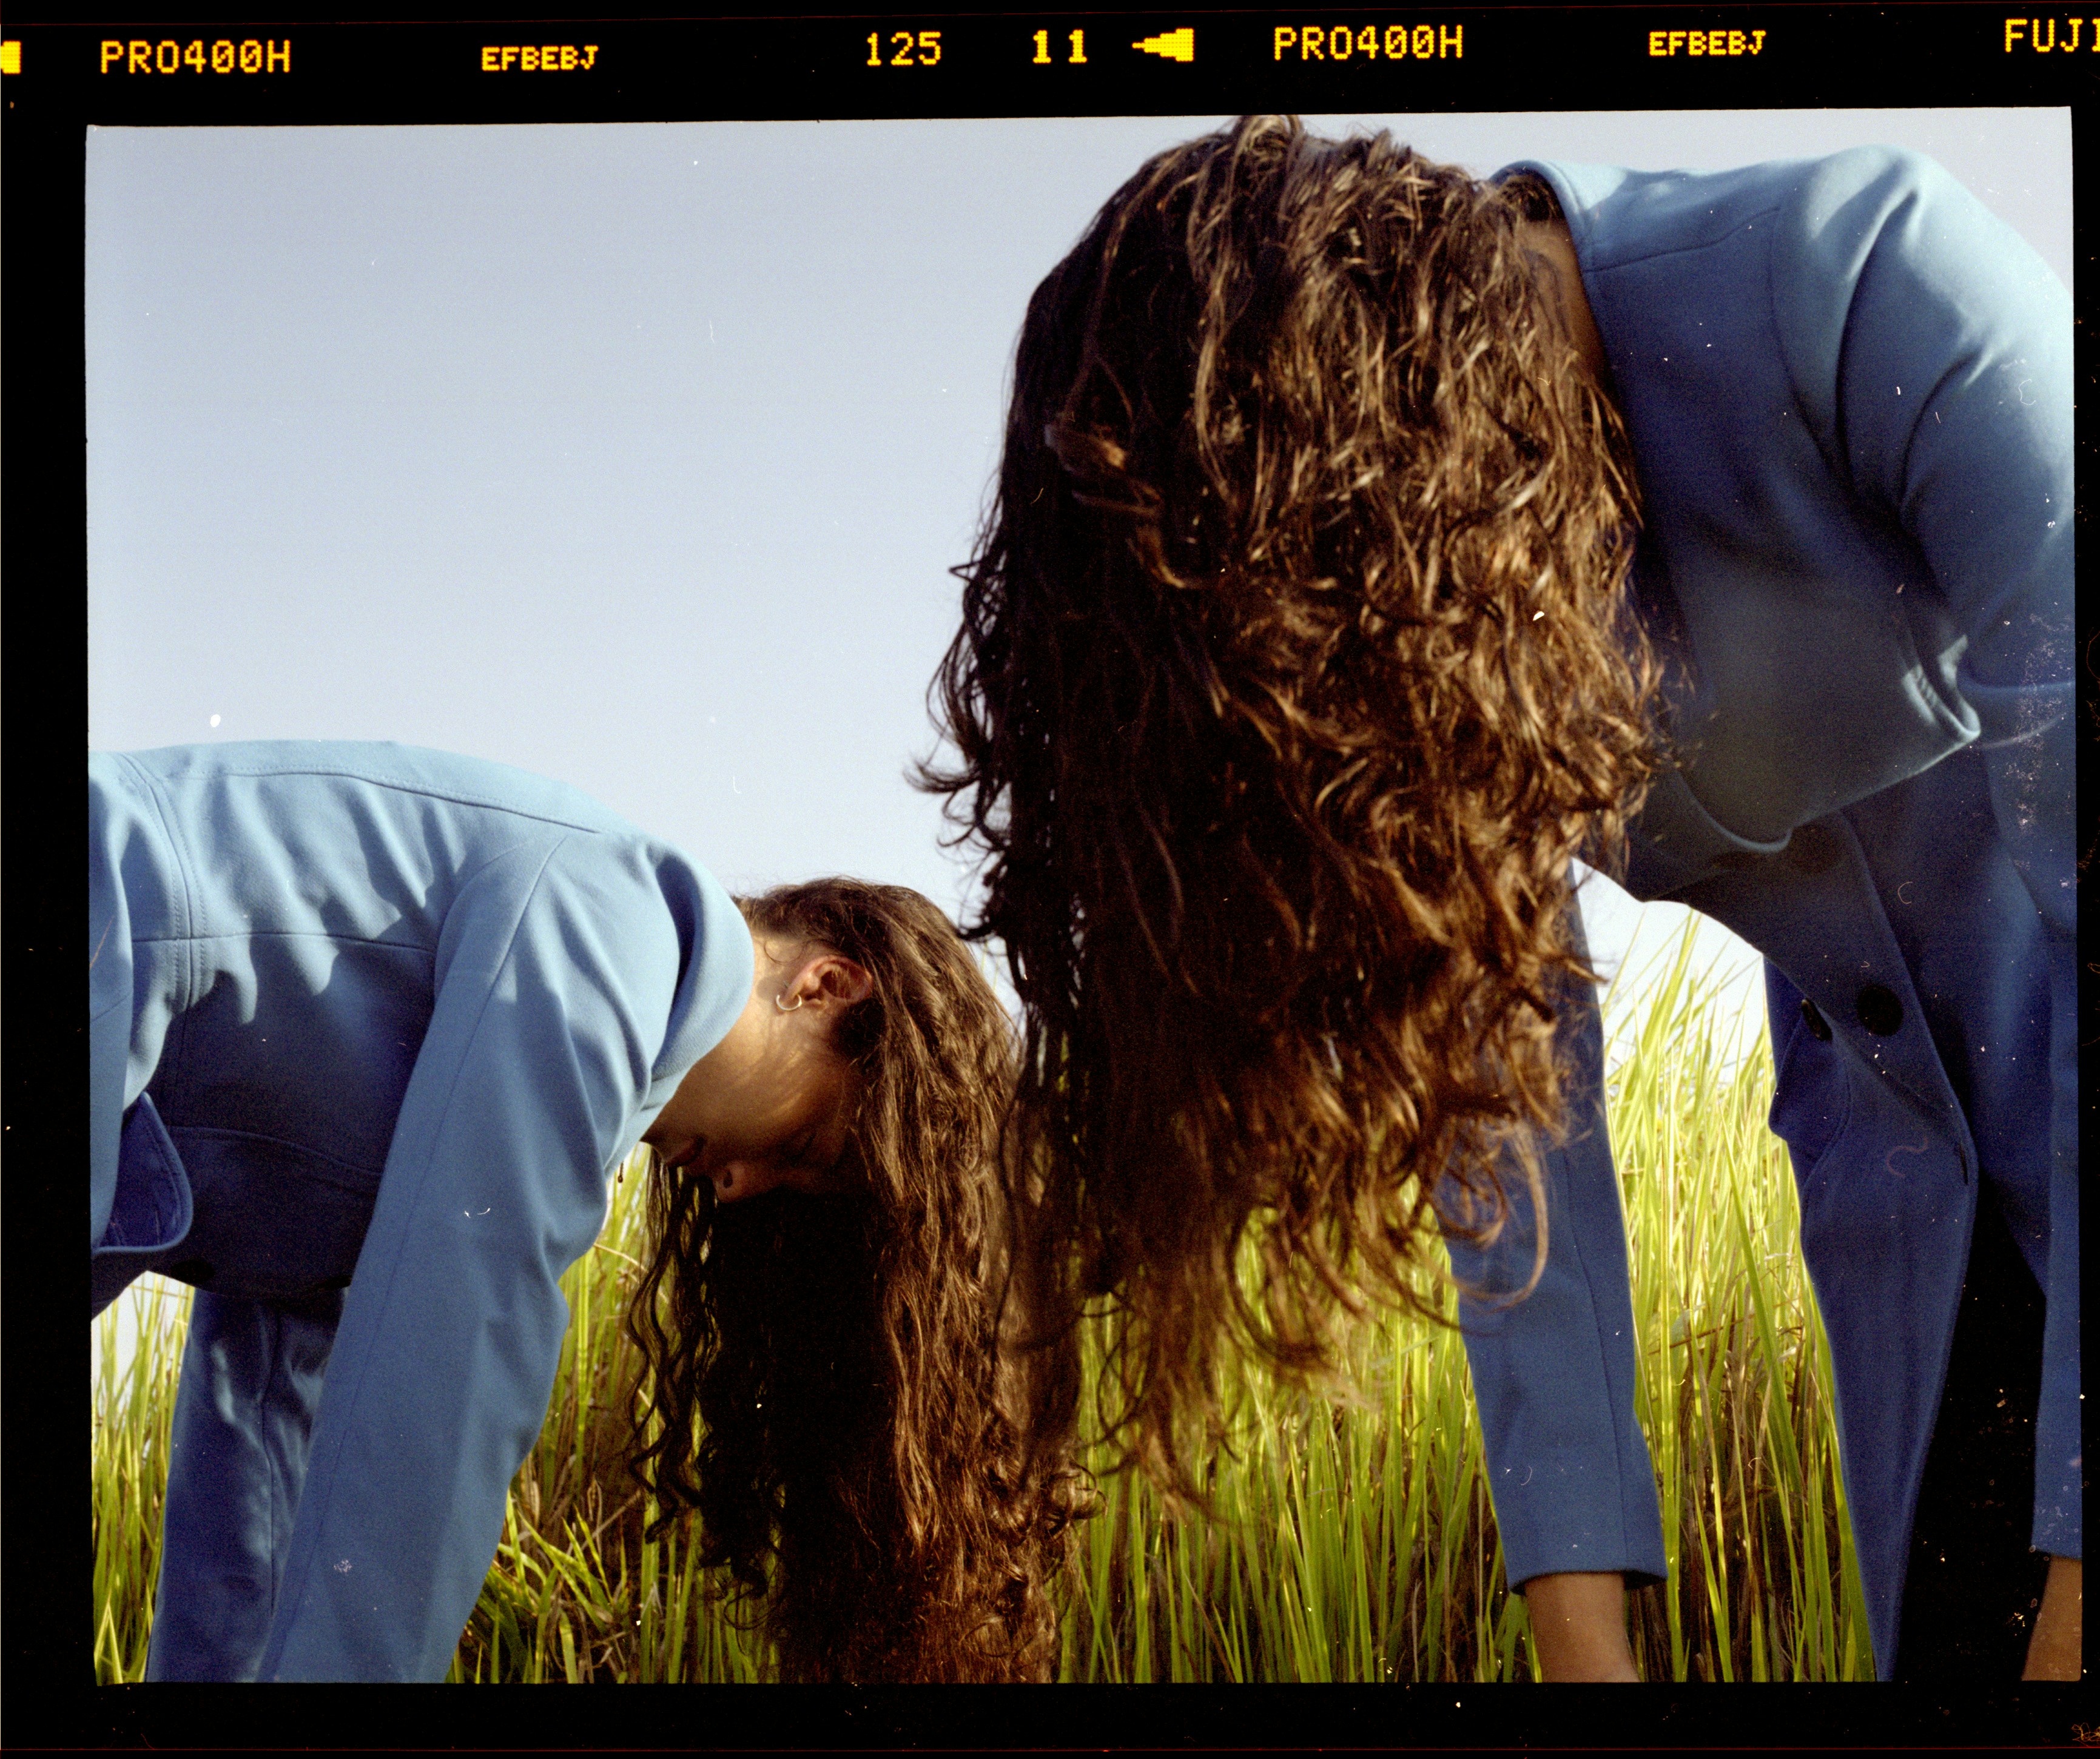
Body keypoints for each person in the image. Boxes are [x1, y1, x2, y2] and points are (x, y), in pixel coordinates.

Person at [923, 116, 2076, 1680]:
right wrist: (1584, 1650)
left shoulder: (1867, 271)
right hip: (1904, 1231)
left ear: (1375, 471)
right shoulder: (1432, 643)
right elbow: (1513, 1128)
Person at [91, 741, 1072, 1681]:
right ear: (822, 987)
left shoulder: (468, 1081)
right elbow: (447, 1362)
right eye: (801, 1147)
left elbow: (261, 1434)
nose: (735, 1187)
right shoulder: (617, 929)